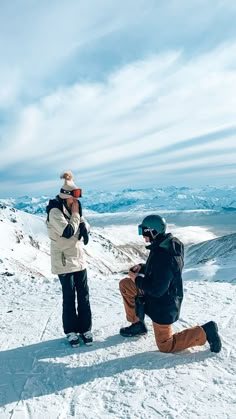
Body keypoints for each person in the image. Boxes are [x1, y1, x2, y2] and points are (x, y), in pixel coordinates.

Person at [119, 214, 222, 353]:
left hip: (163, 304)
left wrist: (136, 279)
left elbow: (157, 289)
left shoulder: (165, 255)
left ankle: (205, 331)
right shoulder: (165, 245)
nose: (142, 236)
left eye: (143, 232)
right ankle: (137, 324)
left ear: (152, 231)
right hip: (159, 296)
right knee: (126, 285)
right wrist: (142, 267)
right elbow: (160, 271)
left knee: (165, 345)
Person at [46, 171, 92, 347]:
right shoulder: (55, 211)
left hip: (79, 259)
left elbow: (84, 224)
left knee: (84, 296)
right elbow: (67, 232)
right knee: (69, 297)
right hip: (64, 261)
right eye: (75, 197)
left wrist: (83, 225)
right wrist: (76, 216)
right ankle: (71, 331)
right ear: (66, 196)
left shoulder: (74, 206)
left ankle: (85, 329)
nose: (77, 201)